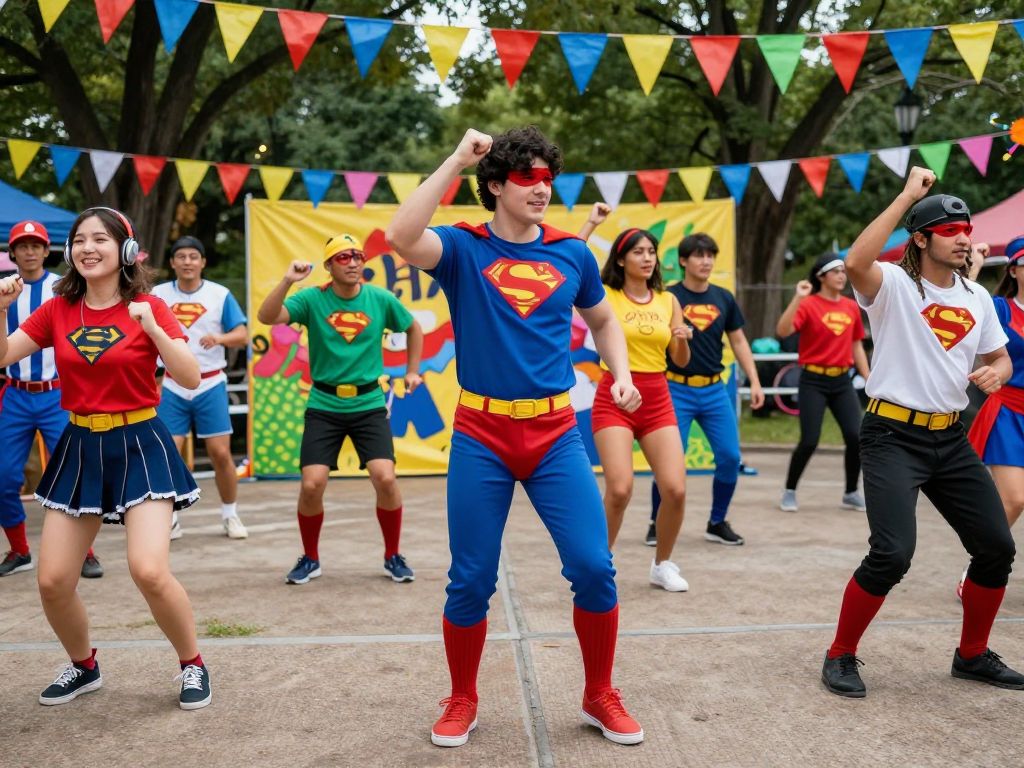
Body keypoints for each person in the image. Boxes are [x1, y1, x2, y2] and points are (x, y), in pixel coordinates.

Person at [387, 126, 645, 748]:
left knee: (594, 567)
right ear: (497, 185)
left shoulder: (572, 253)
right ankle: (462, 697)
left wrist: (622, 373)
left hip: (555, 434)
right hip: (481, 434)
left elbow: (603, 319)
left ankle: (599, 692)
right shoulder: (462, 248)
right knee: (471, 578)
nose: (542, 188)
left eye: (547, 177)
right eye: (527, 177)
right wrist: (457, 158)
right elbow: (400, 236)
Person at [821, 168, 1022, 698]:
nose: (963, 238)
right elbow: (855, 262)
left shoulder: (977, 297)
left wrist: (997, 374)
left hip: (949, 438)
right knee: (892, 553)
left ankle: (972, 655)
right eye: (950, 231)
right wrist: (908, 195)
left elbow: (1000, 358)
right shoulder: (892, 285)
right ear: (920, 239)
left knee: (996, 547)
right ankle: (840, 654)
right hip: (891, 434)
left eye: (966, 229)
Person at [0, 207, 211, 709]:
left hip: (140, 441)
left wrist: (153, 329)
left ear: (126, 250)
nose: (87, 248)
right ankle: (84, 666)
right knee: (53, 581)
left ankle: (192, 663)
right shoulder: (57, 309)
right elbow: (3, 356)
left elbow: (188, 377)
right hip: (80, 444)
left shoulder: (150, 306)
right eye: (79, 240)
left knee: (149, 570)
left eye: (100, 239)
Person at [257, 233, 424, 586]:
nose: (353, 262)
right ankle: (310, 558)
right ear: (329, 266)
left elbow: (413, 327)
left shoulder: (380, 299)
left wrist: (412, 371)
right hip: (324, 404)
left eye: (357, 256)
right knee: (312, 484)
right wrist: (288, 280)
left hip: (368, 403)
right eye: (343, 257)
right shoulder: (312, 299)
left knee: (385, 477)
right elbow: (267, 316)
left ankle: (393, 555)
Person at [578, 208, 692, 592]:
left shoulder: (668, 300)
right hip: (615, 396)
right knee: (620, 489)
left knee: (675, 489)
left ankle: (663, 565)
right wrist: (592, 223)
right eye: (638, 251)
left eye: (651, 251)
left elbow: (680, 360)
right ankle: (599, 564)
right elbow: (571, 264)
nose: (647, 258)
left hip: (657, 398)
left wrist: (681, 339)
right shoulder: (606, 295)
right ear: (621, 259)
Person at [0, 221, 103, 578]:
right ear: (12, 253)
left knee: (74, 472)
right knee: (3, 476)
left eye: (36, 245)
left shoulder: (66, 288)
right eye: (22, 246)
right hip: (15, 394)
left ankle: (85, 551)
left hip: (58, 394)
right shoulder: (3, 289)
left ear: (47, 251)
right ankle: (19, 550)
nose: (29, 251)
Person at [649, 233, 765, 546]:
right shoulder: (667, 297)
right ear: (683, 261)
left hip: (715, 390)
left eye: (710, 255)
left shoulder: (723, 297)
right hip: (675, 389)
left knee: (729, 457)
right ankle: (656, 522)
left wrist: (754, 380)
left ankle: (717, 522)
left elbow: (738, 341)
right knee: (669, 461)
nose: (706, 261)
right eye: (699, 256)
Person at [152, 236, 248, 540]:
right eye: (181, 256)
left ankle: (230, 514)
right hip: (172, 382)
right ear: (172, 262)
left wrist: (220, 338)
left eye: (194, 256)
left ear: (203, 262)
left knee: (220, 453)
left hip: (210, 381)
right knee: (167, 452)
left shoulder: (220, 294)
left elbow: (243, 334)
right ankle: (170, 518)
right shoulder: (158, 294)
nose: (187, 262)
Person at [776, 254, 870, 513]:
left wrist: (869, 379)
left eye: (843, 271)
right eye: (835, 271)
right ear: (821, 276)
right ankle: (789, 490)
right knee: (810, 440)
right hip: (813, 381)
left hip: (842, 381)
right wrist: (798, 297)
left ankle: (851, 493)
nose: (841, 275)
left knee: (856, 436)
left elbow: (856, 345)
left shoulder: (850, 307)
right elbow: (782, 331)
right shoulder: (808, 304)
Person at [964, 235, 1024, 598]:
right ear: (1014, 270)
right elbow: (961, 306)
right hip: (1009, 412)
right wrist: (973, 266)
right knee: (1014, 499)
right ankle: (979, 569)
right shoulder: (1000, 308)